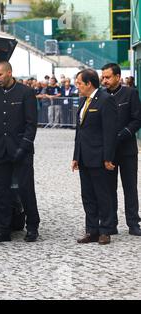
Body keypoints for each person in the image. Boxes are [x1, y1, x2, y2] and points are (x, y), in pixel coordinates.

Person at [0, 62, 40, 243]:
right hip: (1, 150)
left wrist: (23, 147)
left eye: (0, 74)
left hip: (21, 149)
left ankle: (32, 227)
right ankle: (3, 230)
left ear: (10, 72)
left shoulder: (26, 92)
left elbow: (31, 124)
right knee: (1, 191)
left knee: (26, 189)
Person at [72, 68, 118, 245]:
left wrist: (108, 158)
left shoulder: (106, 100)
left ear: (89, 84)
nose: (77, 86)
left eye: (79, 83)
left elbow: (110, 132)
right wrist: (76, 156)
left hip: (99, 157)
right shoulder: (84, 101)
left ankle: (105, 230)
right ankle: (92, 230)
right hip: (84, 157)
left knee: (102, 194)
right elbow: (79, 132)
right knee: (88, 196)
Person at [101, 63, 141, 236]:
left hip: (127, 149)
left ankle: (133, 223)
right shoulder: (101, 96)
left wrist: (120, 135)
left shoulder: (130, 93)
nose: (105, 80)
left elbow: (137, 119)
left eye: (108, 77)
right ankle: (110, 224)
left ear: (118, 77)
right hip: (107, 152)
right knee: (109, 188)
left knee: (130, 187)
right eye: (103, 77)